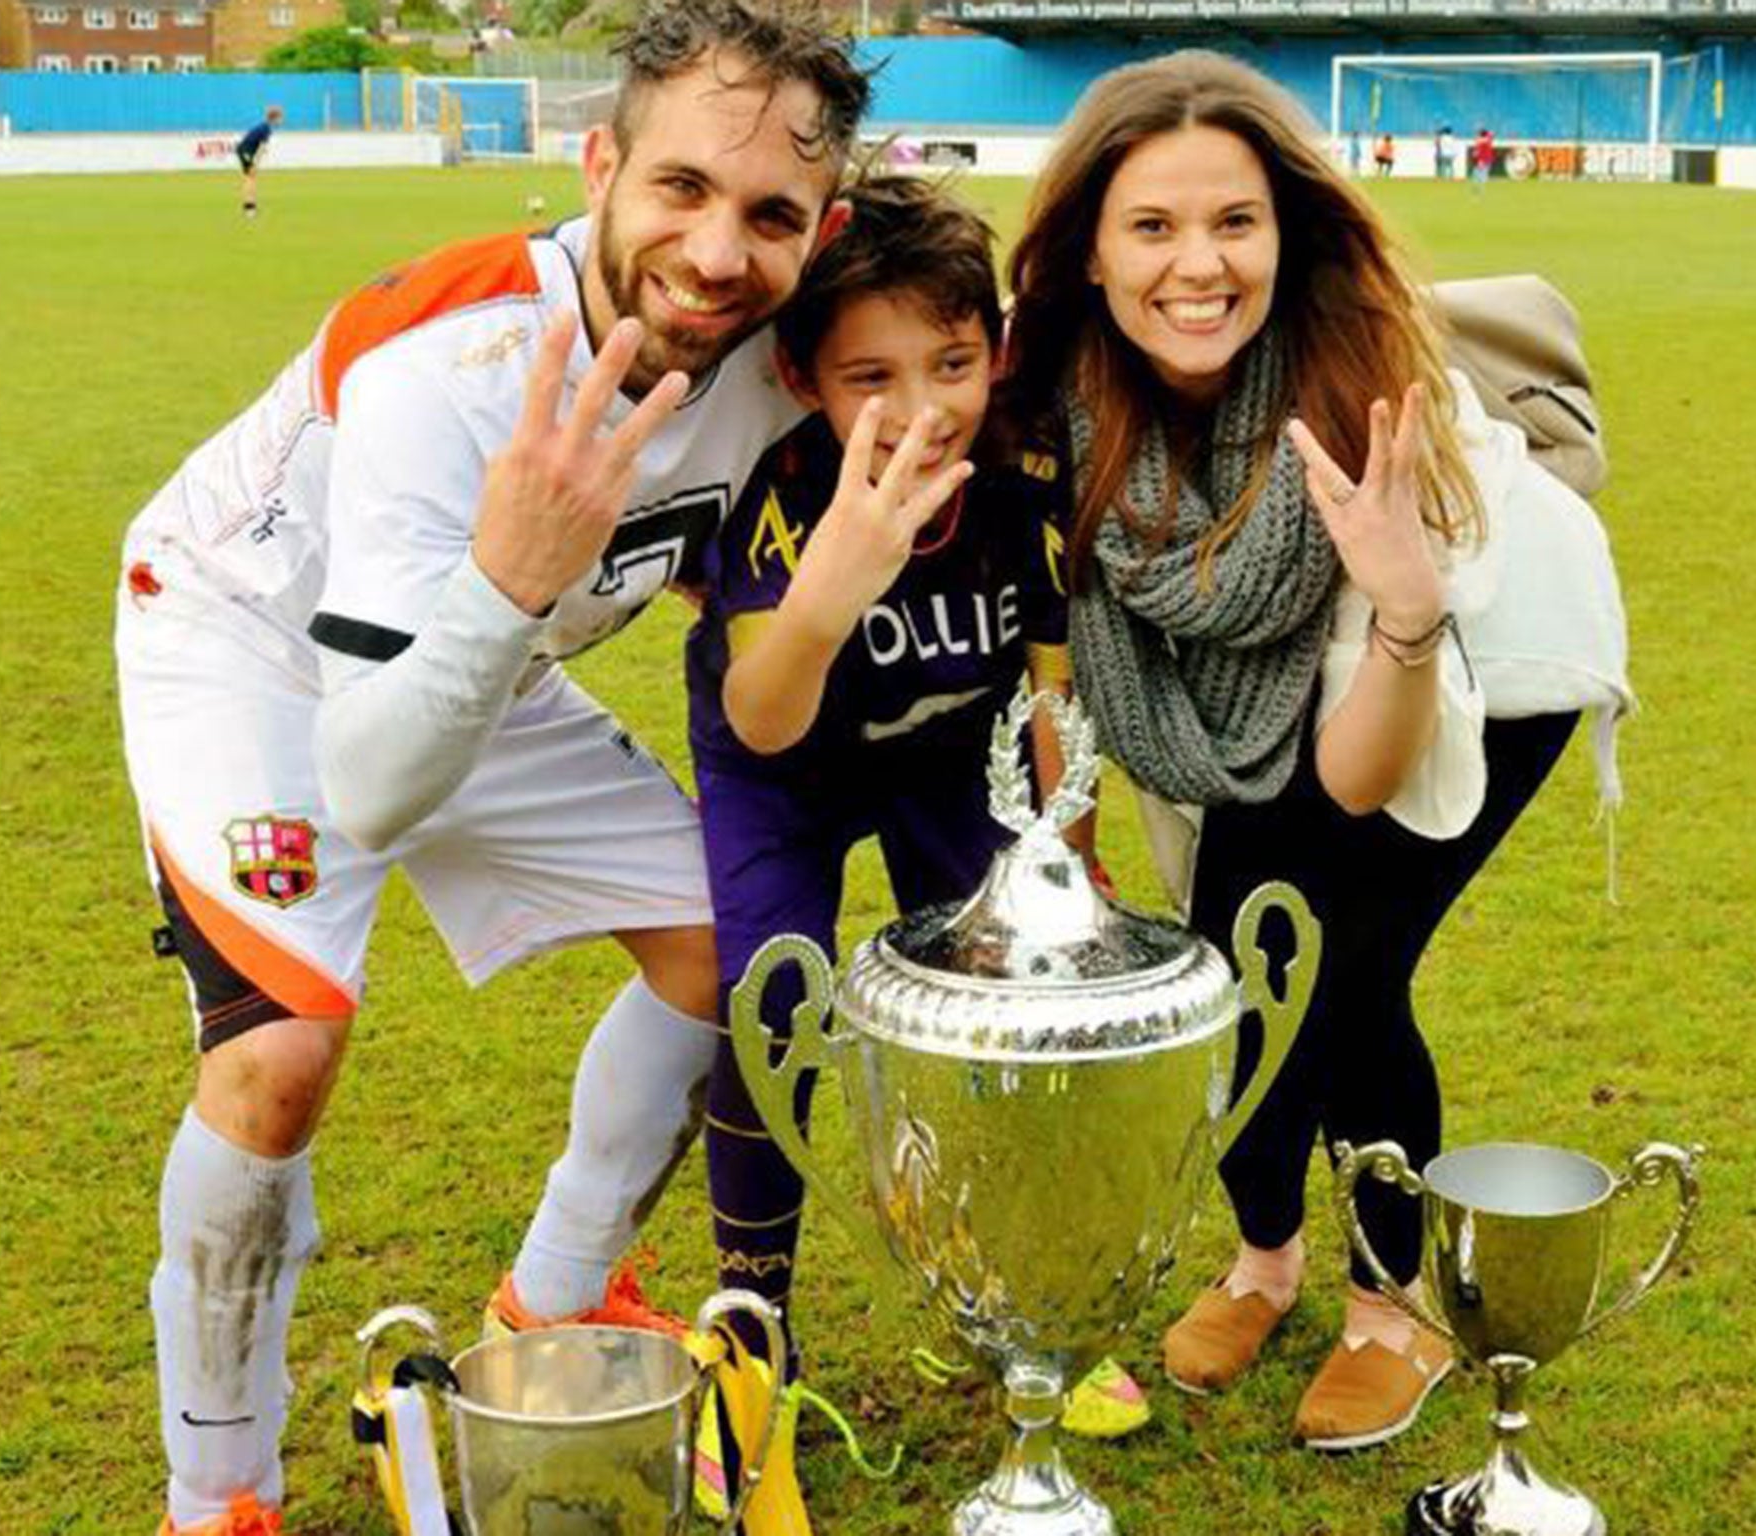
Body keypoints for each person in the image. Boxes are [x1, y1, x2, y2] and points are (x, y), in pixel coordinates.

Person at [113, 5, 870, 1532]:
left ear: (823, 228)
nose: (719, 252)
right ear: (599, 165)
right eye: (679, 190)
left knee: (723, 944)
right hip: (251, 648)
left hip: (481, 652)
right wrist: (515, 583)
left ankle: (555, 1305)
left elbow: (996, 332)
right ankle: (221, 1496)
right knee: (279, 1054)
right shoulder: (448, 365)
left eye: (771, 214)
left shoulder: (786, 345)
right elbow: (374, 778)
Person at [1002, 51, 1630, 1451]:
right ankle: (1267, 1260)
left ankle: (1393, 1299)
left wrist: (1405, 605)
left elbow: (1356, 776)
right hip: (1283, 677)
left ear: (1285, 227)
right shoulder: (1061, 395)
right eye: (1152, 227)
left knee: (1343, 972)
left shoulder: (1376, 400)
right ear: (1088, 253)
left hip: (1478, 645)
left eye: (1234, 221)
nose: (1199, 265)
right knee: (1230, 964)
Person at [683, 175, 1145, 1518]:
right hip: (788, 771)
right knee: (769, 994)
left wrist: (1075, 865)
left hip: (955, 757)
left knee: (1010, 1004)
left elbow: (1051, 687)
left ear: (993, 349)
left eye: (953, 361)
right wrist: (838, 576)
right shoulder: (781, 492)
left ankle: (1010, 1309)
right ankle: (750, 1340)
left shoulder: (1023, 468)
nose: (925, 403)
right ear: (801, 377)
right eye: (870, 374)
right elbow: (764, 721)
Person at [235, 105, 282, 218]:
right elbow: (261, 148)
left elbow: (261, 147)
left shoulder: (265, 127)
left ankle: (250, 206)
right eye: (280, 118)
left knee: (250, 178)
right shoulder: (266, 128)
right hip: (245, 151)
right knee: (251, 177)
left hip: (245, 151)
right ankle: (249, 209)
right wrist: (256, 163)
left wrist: (256, 162)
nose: (281, 121)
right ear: (274, 118)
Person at [1471, 123, 1496, 187]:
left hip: (1482, 159)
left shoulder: (1479, 140)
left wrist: (1474, 154)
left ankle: (1478, 183)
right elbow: (1492, 133)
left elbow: (1476, 151)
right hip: (1489, 158)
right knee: (1484, 172)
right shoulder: (1488, 139)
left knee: (1478, 171)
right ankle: (1481, 183)